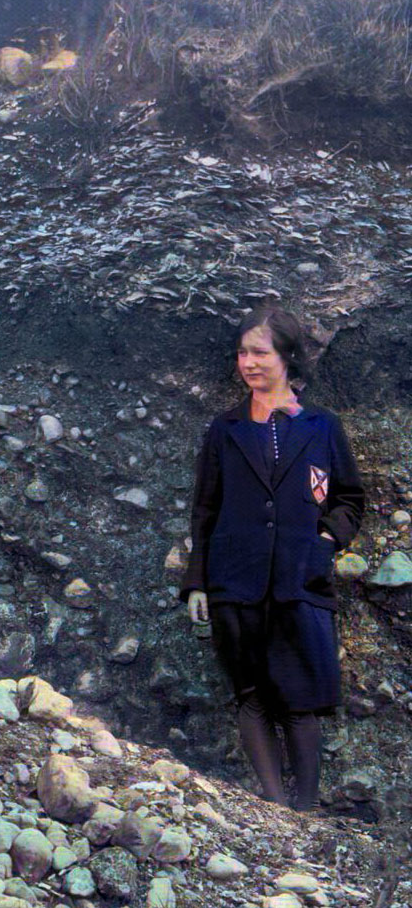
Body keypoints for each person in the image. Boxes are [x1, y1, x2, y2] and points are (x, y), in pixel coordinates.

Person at [180, 305, 365, 811]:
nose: (248, 362)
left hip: (300, 580)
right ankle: (273, 807)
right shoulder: (226, 429)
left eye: (259, 352)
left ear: (286, 356)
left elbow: (349, 498)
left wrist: (325, 541)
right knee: (251, 694)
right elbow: (205, 508)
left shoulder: (322, 427)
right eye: (242, 352)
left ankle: (305, 809)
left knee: (300, 699)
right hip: (234, 580)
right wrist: (198, 582)